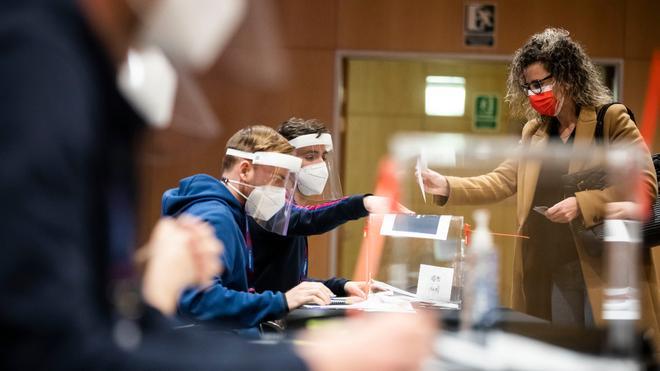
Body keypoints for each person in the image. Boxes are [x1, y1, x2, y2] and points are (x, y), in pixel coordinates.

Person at [1, 0, 437, 369]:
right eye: (282, 174)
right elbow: (54, 342)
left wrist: (149, 300)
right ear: (245, 170)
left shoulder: (67, 65)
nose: (288, 186)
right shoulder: (34, 64)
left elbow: (106, 323)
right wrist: (315, 358)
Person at [420, 28, 657, 325]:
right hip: (552, 267)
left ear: (568, 77)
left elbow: (644, 187)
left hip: (604, 265)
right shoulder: (535, 133)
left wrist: (581, 204)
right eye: (528, 87)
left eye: (540, 84)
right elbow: (503, 180)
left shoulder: (610, 119)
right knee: (562, 354)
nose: (534, 93)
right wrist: (446, 184)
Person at [162, 125, 346, 330]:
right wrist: (281, 302)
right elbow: (198, 301)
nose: (281, 191)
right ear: (245, 170)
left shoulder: (233, 213)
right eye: (278, 179)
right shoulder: (216, 217)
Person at [251, 118, 407, 297]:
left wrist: (343, 286)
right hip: (261, 321)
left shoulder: (287, 203)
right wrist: (362, 203)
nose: (321, 164)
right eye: (310, 156)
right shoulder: (263, 202)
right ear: (284, 161)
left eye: (323, 156)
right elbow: (304, 220)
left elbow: (290, 283)